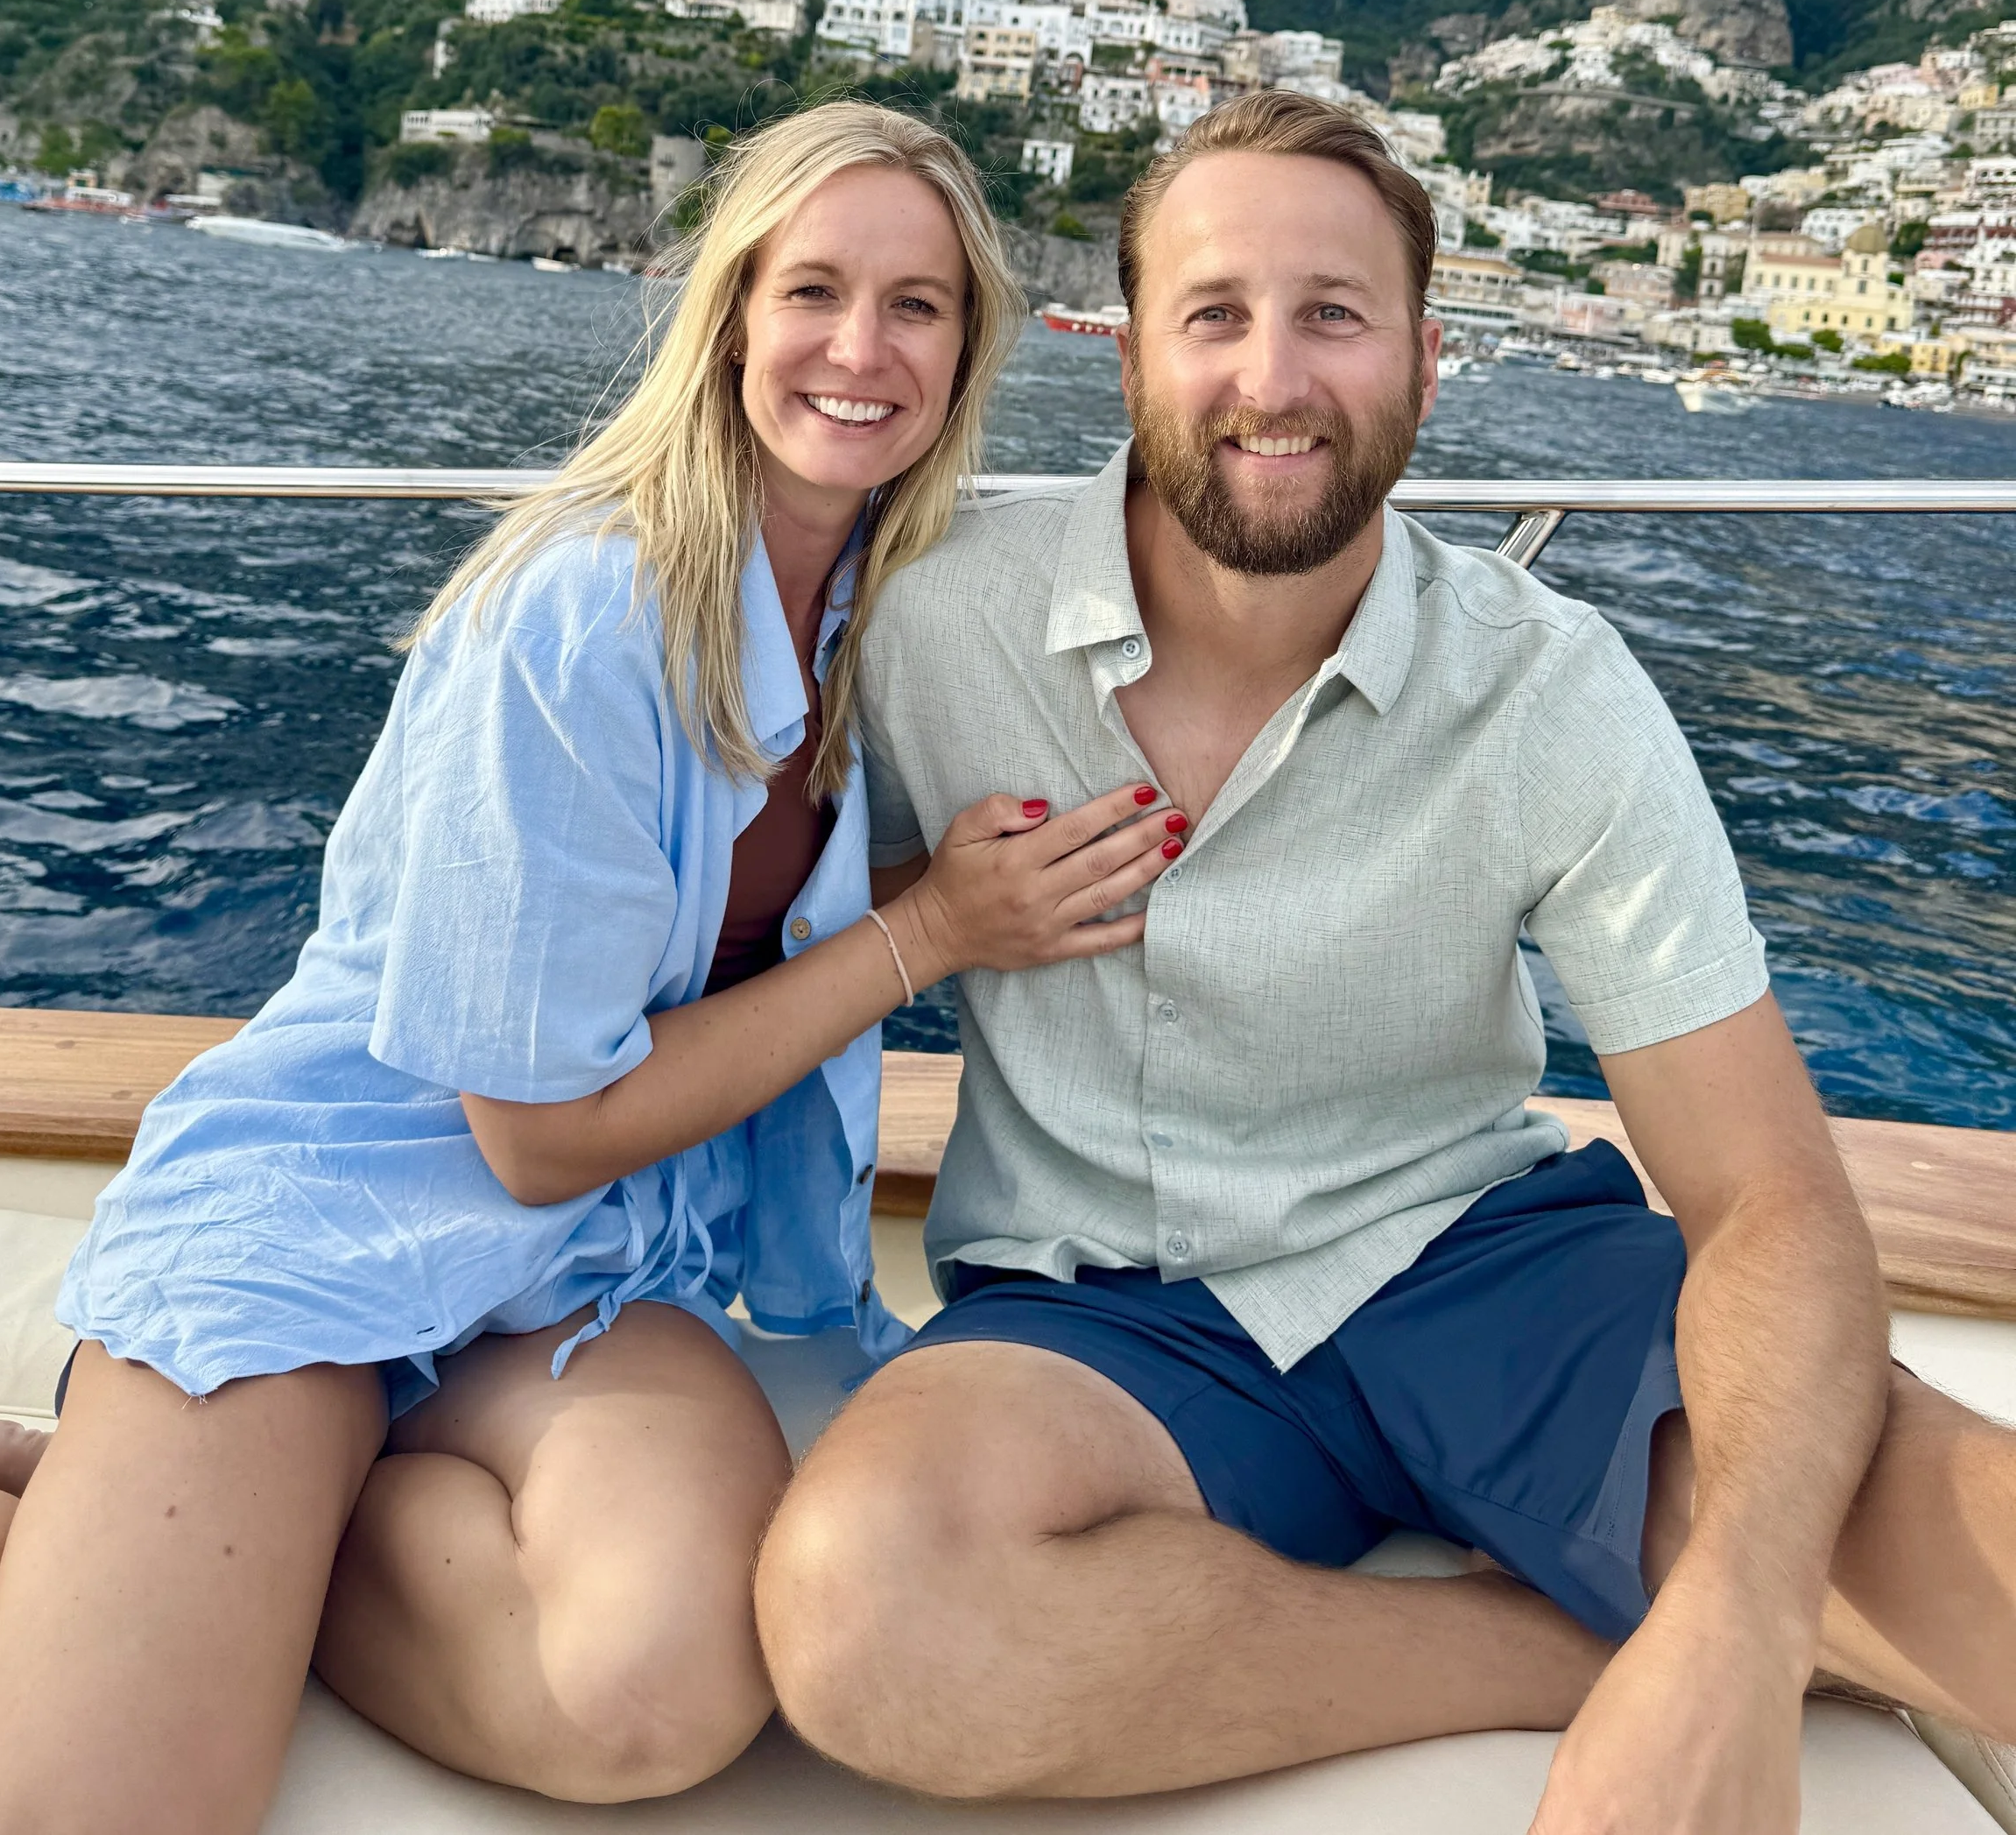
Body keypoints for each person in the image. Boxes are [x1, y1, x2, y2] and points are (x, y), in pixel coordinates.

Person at [0, 99, 1178, 1835]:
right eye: (813, 290)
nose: (860, 347)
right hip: (345, 1223)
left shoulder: (874, 603)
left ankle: (219, 1537)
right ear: (729, 315)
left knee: (647, 1693)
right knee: (34, 1809)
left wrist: (984, 876)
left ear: (967, 346)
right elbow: (535, 1130)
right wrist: (929, 931)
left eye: (916, 305)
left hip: (600, 1263)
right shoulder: (581, 616)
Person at [756, 88, 2016, 1834]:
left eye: (1330, 315)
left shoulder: (1546, 691)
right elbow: (746, 917)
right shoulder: (932, 622)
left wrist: (1730, 1621)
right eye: (1212, 314)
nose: (1268, 377)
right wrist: (933, 907)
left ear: (1424, 364)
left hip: (1476, 1270)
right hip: (1095, 1313)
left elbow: (1767, 1196)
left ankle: (1697, 1624)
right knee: (865, 1610)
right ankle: (1575, 1644)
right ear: (1124, 353)